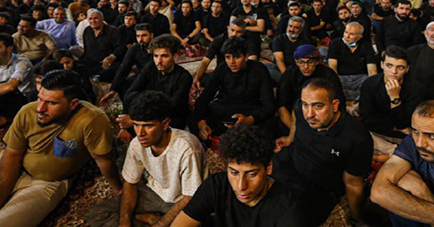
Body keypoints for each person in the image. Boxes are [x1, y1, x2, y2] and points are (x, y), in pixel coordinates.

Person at [0, 70, 122, 227]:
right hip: (12, 168)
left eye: (51, 103)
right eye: (40, 98)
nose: (40, 108)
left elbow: (102, 160)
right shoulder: (27, 112)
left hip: (48, 183)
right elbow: (12, 155)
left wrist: (119, 190)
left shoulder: (92, 119)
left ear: (73, 104)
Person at [87, 91, 205, 227]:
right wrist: (124, 222)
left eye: (148, 126)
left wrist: (160, 224)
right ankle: (144, 218)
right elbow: (130, 182)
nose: (140, 133)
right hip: (154, 194)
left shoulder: (187, 147)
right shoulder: (136, 144)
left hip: (181, 200)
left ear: (165, 123)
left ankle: (145, 220)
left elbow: (190, 197)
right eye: (136, 125)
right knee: (98, 214)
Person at [273, 78, 373, 226]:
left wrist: (357, 218)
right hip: (289, 163)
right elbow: (296, 113)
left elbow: (353, 184)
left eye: (318, 106)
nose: (309, 114)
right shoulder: (300, 108)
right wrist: (290, 138)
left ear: (334, 105)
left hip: (318, 188)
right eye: (305, 104)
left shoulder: (357, 138)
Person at [172, 125, 305, 227]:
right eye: (234, 173)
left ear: (268, 167)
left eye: (251, 174)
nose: (241, 186)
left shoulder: (289, 207)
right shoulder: (216, 185)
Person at [194, 37, 275, 140]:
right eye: (228, 57)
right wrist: (201, 123)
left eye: (236, 57)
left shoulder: (259, 69)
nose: (232, 62)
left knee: (270, 124)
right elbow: (203, 99)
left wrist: (249, 120)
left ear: (246, 56)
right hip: (224, 108)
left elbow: (269, 105)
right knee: (194, 118)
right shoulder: (222, 68)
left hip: (250, 109)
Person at [118, 35, 193, 132]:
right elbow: (129, 95)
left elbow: (172, 107)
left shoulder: (184, 77)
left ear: (175, 56)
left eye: (164, 56)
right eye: (156, 56)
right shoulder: (150, 67)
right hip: (147, 114)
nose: (159, 61)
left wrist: (136, 120)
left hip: (171, 121)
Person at [360, 46, 424, 158]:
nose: (394, 72)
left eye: (400, 67)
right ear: (382, 65)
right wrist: (393, 127)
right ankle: (395, 153)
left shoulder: (416, 88)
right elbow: (366, 119)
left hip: (402, 137)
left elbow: (403, 123)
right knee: (356, 133)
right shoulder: (370, 84)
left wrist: (394, 98)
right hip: (377, 133)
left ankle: (394, 154)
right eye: (389, 66)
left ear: (407, 69)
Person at [276, 45, 344, 130]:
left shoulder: (328, 74)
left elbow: (339, 102)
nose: (306, 66)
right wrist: (295, 131)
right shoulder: (289, 74)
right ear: (296, 62)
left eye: (310, 62)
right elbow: (281, 105)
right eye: (301, 62)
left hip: (322, 116)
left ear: (317, 61)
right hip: (294, 117)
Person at [191, 19, 256, 90]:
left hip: (241, 73)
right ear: (228, 28)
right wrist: (197, 78)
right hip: (223, 72)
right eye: (232, 30)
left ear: (244, 32)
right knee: (201, 78)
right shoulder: (218, 40)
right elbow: (206, 61)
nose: (234, 34)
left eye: (239, 32)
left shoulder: (249, 40)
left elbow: (252, 60)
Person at [102, 23, 154, 104]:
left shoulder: (158, 48)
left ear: (151, 35)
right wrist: (113, 90)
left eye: (144, 35)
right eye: (138, 36)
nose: (140, 39)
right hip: (140, 77)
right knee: (122, 86)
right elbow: (124, 68)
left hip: (156, 77)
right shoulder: (134, 49)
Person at [328, 21, 379, 101]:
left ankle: (356, 100)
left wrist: (373, 85)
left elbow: (372, 70)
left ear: (359, 37)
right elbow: (332, 67)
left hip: (360, 77)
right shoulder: (335, 44)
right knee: (333, 86)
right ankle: (355, 101)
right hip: (342, 77)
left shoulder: (366, 46)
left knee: (370, 85)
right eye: (346, 32)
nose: (347, 36)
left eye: (351, 34)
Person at [80, 9, 122, 81]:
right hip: (91, 61)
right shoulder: (87, 30)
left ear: (102, 19)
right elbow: (87, 50)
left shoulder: (112, 31)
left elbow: (120, 48)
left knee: (116, 68)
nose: (93, 21)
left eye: (96, 18)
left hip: (106, 62)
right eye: (90, 19)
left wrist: (111, 57)